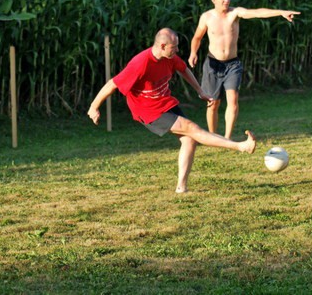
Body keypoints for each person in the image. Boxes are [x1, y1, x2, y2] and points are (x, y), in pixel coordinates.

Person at [88, 27, 257, 194]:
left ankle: (181, 187)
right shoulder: (141, 63)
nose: (177, 50)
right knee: (192, 128)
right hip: (148, 110)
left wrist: (200, 91)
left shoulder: (170, 57)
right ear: (162, 46)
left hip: (165, 103)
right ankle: (241, 146)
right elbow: (113, 84)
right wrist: (94, 107)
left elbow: (184, 70)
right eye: (174, 47)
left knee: (189, 140)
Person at [188, 0, 301, 139]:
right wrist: (193, 52)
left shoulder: (235, 13)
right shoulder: (206, 17)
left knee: (233, 101)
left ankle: (227, 138)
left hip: (232, 64)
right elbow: (197, 37)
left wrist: (280, 12)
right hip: (213, 65)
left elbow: (257, 13)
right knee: (213, 103)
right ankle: (213, 137)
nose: (227, 0)